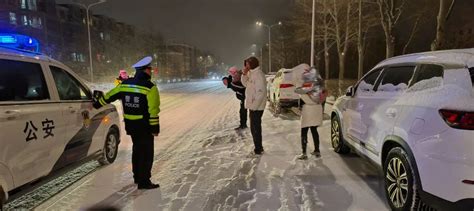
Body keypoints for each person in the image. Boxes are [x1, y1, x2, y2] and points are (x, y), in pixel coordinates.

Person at [94, 56, 161, 189]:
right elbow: (153, 110)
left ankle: (137, 177)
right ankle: (144, 181)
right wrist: (155, 128)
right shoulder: (150, 87)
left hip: (131, 125)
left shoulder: (125, 84)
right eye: (150, 69)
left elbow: (109, 96)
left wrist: (97, 104)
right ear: (145, 70)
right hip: (144, 126)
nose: (151, 71)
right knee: (146, 153)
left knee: (137, 150)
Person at [294, 66, 325, 160]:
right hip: (317, 109)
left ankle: (304, 153)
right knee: (314, 130)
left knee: (304, 131)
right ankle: (317, 150)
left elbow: (301, 94)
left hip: (308, 110)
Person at [241, 57, 267, 155]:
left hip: (257, 107)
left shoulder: (258, 75)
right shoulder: (251, 73)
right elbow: (245, 84)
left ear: (252, 64)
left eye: (247, 64)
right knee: (254, 128)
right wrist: (244, 74)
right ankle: (258, 147)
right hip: (253, 106)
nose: (246, 66)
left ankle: (258, 149)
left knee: (255, 128)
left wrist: (254, 106)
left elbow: (261, 92)